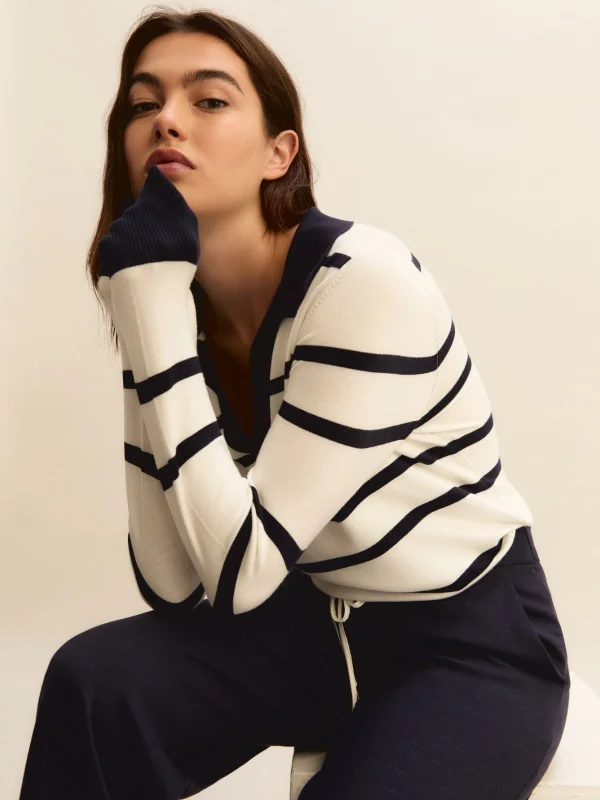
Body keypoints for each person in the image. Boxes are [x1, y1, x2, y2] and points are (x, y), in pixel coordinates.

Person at [18, 8, 570, 799]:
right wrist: (150, 315)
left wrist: (153, 316)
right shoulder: (164, 297)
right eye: (143, 104)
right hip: (309, 629)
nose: (166, 119)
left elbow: (239, 572)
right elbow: (174, 585)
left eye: (209, 100)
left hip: (466, 645)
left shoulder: (363, 283)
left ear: (280, 153)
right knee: (95, 682)